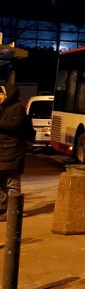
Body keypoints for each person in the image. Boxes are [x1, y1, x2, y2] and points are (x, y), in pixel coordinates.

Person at [0, 84, 36, 221]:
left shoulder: (18, 108)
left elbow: (14, 125)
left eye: (2, 94)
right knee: (2, 183)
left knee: (11, 183)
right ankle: (4, 207)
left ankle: (13, 210)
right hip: (3, 152)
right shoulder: (3, 108)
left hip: (11, 152)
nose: (0, 97)